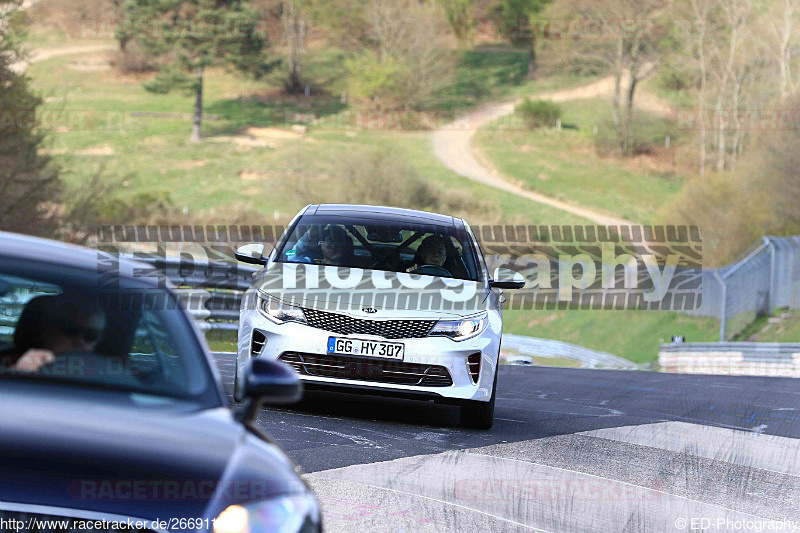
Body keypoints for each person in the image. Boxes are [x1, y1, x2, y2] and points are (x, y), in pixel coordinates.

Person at [1, 293, 106, 373]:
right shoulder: (7, 362)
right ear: (45, 329)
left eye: (91, 335)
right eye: (70, 329)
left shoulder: (107, 373)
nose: (80, 341)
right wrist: (19, 373)